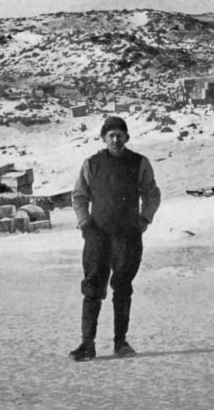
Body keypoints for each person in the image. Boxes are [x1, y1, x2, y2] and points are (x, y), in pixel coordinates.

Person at [68, 115, 161, 361]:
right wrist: (85, 223)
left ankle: (121, 343)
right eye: (111, 135)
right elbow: (79, 195)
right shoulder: (92, 164)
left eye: (120, 134)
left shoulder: (139, 163)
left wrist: (144, 220)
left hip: (128, 237)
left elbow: (152, 194)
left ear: (127, 137)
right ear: (103, 138)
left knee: (122, 289)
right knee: (92, 288)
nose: (116, 139)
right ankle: (87, 344)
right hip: (98, 237)